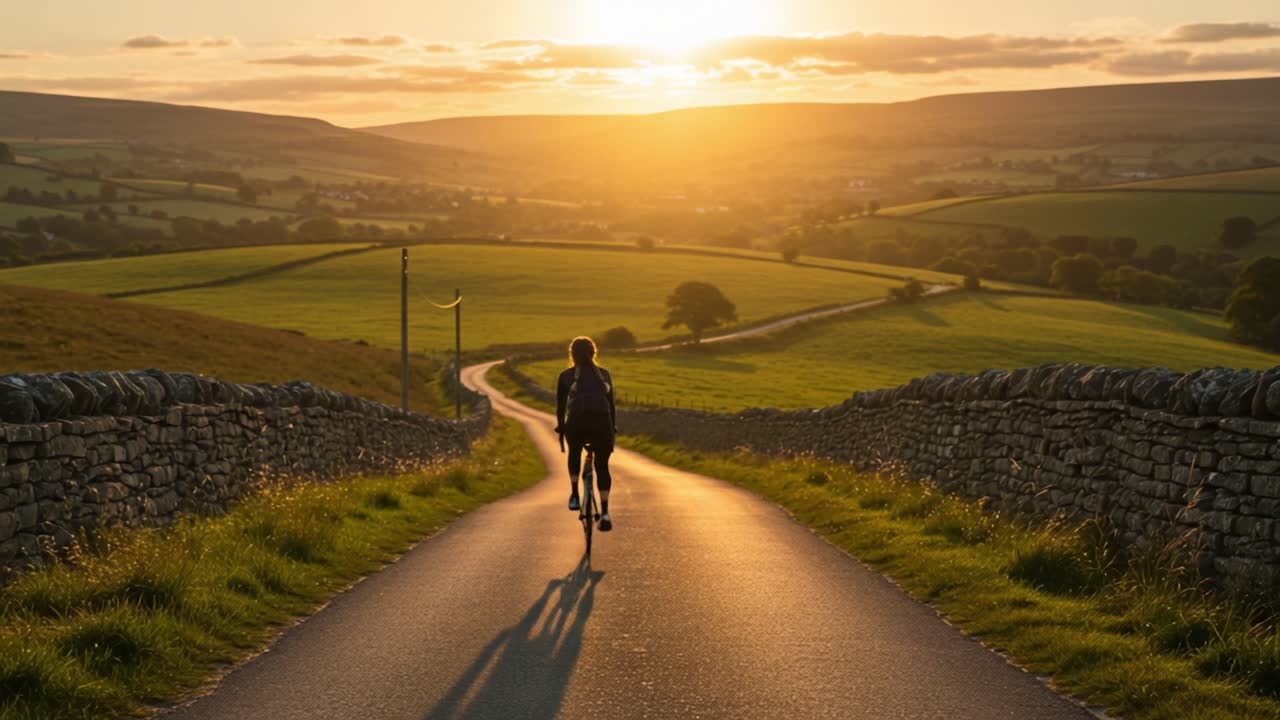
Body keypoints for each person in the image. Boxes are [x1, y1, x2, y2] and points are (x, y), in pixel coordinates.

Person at [555, 336, 617, 531]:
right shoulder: (605, 375)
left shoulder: (566, 376)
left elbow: (560, 408)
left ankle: (574, 494)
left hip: (577, 423)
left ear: (572, 354)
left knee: (575, 451)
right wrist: (612, 428)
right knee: (602, 466)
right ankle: (605, 512)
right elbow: (611, 406)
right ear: (594, 353)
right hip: (602, 424)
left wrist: (561, 427)